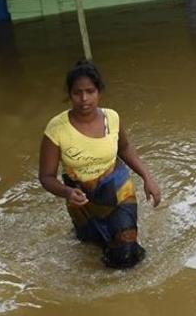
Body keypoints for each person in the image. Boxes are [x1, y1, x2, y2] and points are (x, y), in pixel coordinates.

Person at [38, 60, 162, 268]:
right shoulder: (56, 129)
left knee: (125, 252)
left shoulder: (111, 118)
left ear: (99, 92)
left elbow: (125, 148)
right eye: (77, 92)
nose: (84, 98)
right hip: (80, 198)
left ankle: (127, 292)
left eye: (90, 91)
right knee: (93, 247)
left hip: (117, 187)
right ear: (69, 95)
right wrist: (68, 193)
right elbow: (46, 177)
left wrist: (147, 178)